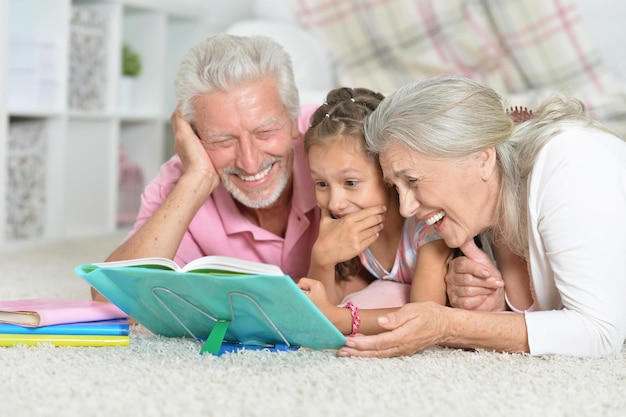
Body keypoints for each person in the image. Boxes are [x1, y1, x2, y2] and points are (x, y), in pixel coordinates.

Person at [338, 75, 626, 358]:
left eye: (412, 181)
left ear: (482, 159)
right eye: (395, 187)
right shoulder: (481, 213)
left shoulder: (570, 162)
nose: (405, 209)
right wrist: (494, 309)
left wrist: (449, 325)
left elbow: (599, 332)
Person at [92, 33, 377, 301]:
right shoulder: (181, 178)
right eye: (222, 140)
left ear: (292, 120)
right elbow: (111, 298)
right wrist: (197, 180)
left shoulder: (335, 143)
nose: (250, 162)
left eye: (265, 132)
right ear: (194, 135)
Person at [297, 87, 452, 335]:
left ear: (387, 174)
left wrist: (343, 319)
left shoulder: (427, 227)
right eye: (321, 184)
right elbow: (321, 306)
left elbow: (424, 313)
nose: (336, 203)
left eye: (350, 183)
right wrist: (322, 260)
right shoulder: (351, 224)